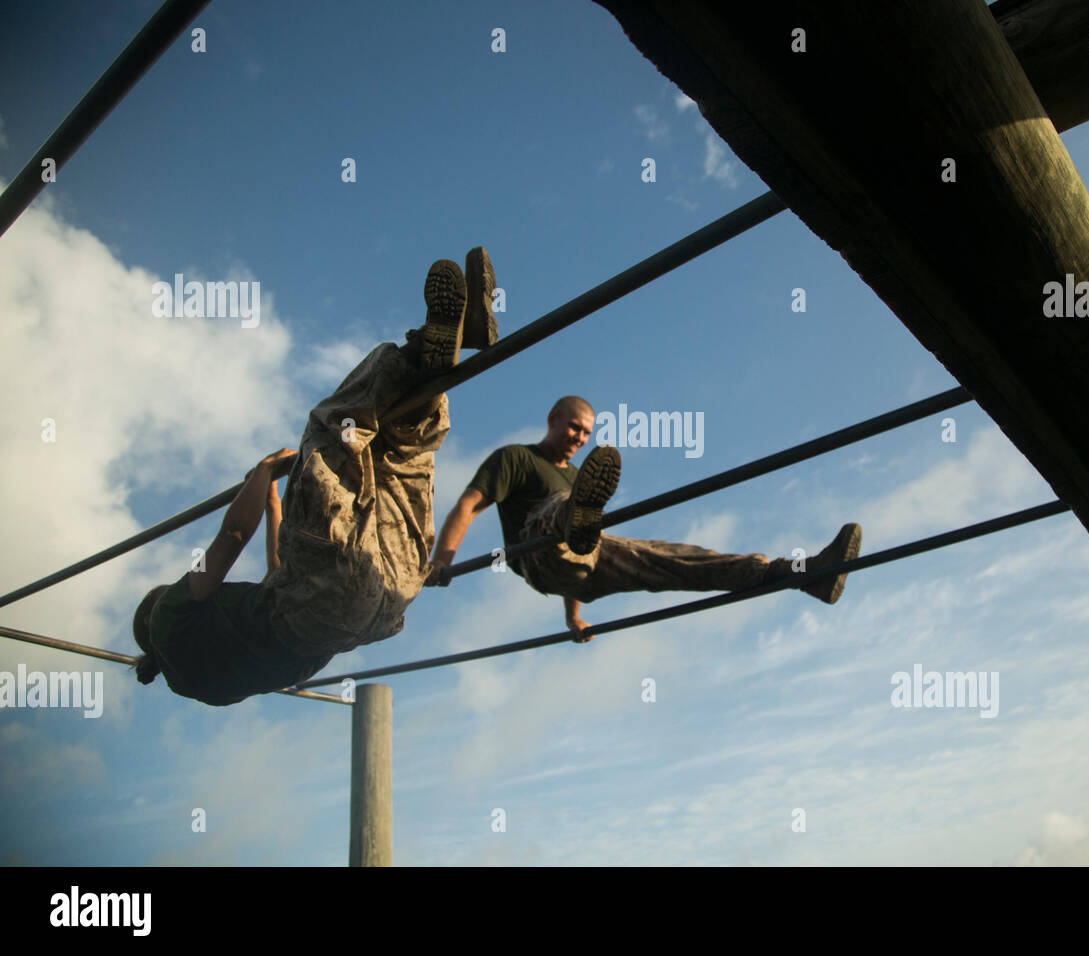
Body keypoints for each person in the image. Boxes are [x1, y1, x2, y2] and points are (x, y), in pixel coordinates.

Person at [131, 249, 498, 705]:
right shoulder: (169, 617)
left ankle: (445, 354)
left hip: (383, 601)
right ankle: (423, 350)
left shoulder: (202, 683)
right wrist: (264, 474)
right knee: (335, 429)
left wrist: (272, 504)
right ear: (156, 615)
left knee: (397, 464)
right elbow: (231, 535)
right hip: (322, 597)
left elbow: (281, 579)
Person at [428, 396, 862, 638]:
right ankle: (575, 518)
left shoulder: (577, 476)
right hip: (538, 559)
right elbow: (468, 504)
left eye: (586, 432)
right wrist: (443, 558)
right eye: (574, 426)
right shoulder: (516, 459)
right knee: (561, 512)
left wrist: (572, 618)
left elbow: (576, 557)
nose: (579, 437)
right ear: (552, 419)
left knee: (680, 559)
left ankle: (804, 574)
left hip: (585, 569)